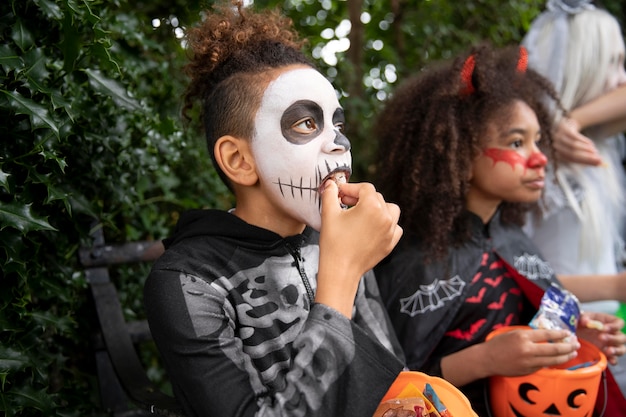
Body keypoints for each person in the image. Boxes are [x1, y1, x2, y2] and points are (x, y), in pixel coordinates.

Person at [143, 2, 405, 417]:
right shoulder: (188, 281)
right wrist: (340, 278)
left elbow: (398, 390)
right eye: (306, 123)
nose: (339, 144)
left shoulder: (335, 239)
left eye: (337, 124)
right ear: (239, 161)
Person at [372, 43, 626, 417]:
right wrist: (483, 359)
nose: (540, 158)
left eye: (538, 141)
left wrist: (569, 340)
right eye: (516, 143)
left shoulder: (515, 243)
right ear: (460, 154)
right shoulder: (408, 257)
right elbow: (386, 383)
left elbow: (529, 329)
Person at [521, 0, 626, 316]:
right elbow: (513, 274)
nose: (622, 78)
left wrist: (571, 120)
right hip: (559, 340)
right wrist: (615, 287)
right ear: (582, 67)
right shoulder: (530, 161)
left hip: (607, 337)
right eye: (614, 63)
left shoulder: (594, 144)